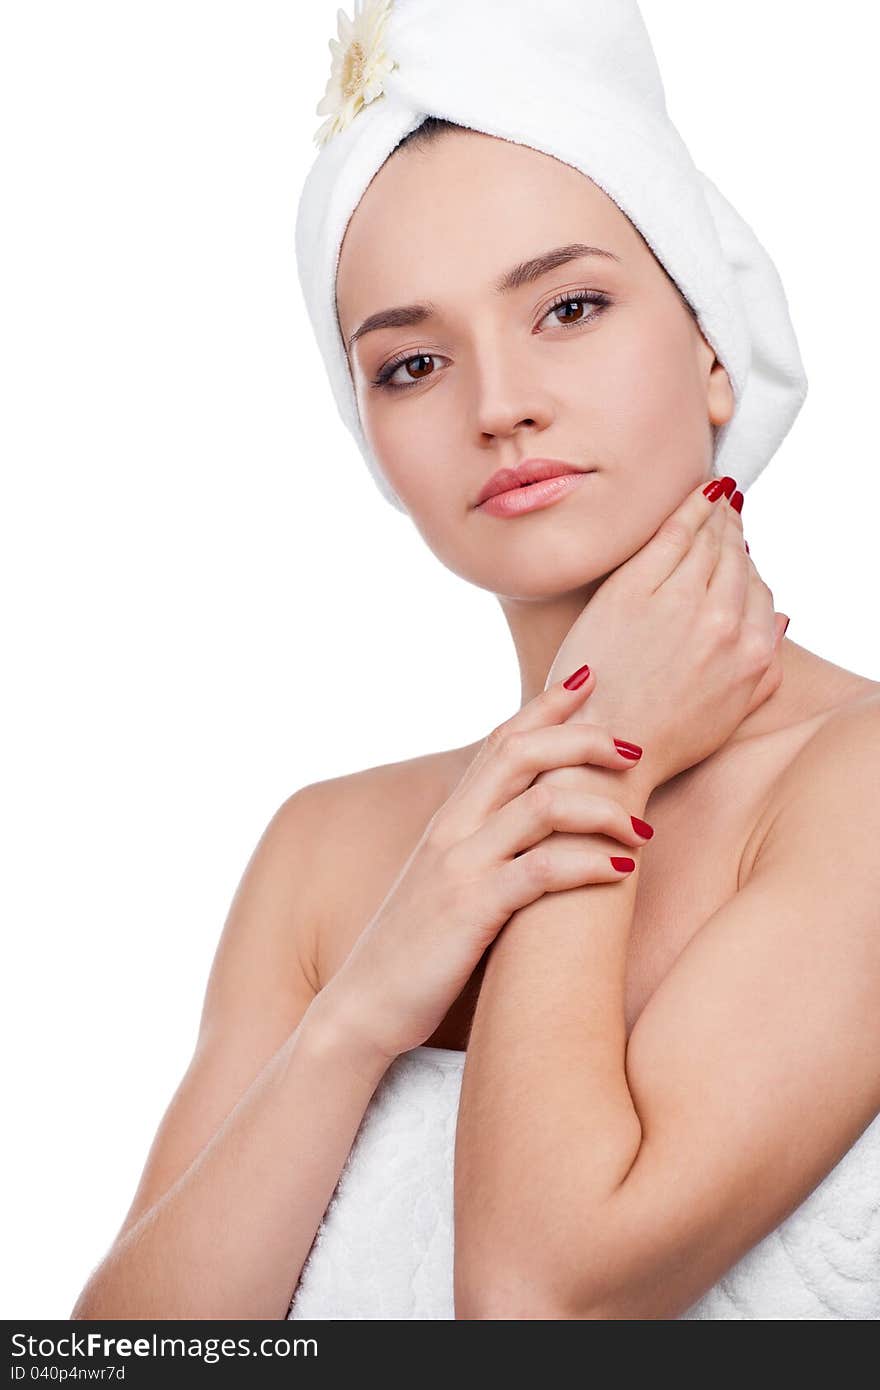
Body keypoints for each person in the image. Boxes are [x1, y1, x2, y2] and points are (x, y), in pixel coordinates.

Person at [71, 1, 880, 1321]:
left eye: (568, 305)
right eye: (412, 363)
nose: (498, 402)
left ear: (714, 347)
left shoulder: (861, 784)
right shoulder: (329, 857)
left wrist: (592, 761)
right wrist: (363, 1005)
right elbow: (126, 1357)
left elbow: (535, 1299)